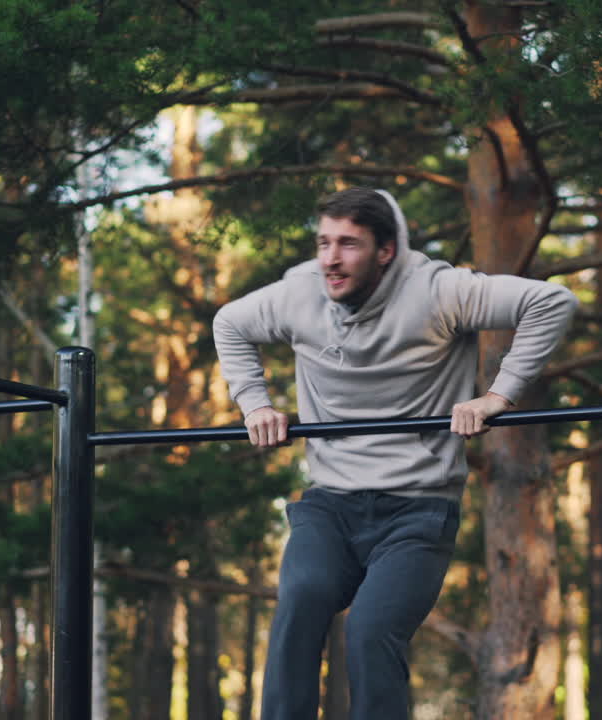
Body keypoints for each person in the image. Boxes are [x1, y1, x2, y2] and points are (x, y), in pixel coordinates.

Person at [212, 187, 578, 719]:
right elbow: (230, 323)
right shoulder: (299, 294)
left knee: (371, 630)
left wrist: (499, 395)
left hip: (418, 509)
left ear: (387, 251)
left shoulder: (438, 292)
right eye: (324, 243)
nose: (331, 259)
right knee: (301, 601)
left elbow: (551, 301)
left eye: (349, 245)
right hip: (330, 506)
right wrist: (254, 405)